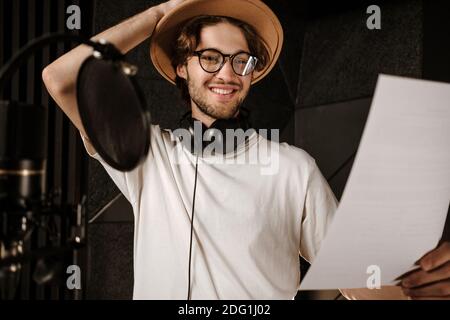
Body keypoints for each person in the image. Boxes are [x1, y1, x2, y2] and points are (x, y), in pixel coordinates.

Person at [42, 0, 450, 300]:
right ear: (182, 67)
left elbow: (361, 285)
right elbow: (60, 78)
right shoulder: (147, 155)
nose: (228, 73)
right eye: (210, 57)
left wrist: (422, 285)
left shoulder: (293, 167)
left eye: (242, 61)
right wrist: (159, 15)